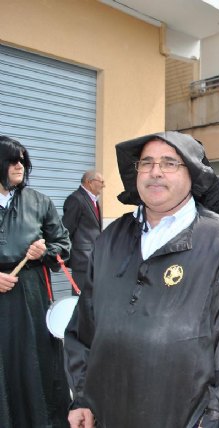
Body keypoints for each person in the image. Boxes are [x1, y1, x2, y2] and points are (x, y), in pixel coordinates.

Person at [64, 131, 219, 428]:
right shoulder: (110, 239)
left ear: (193, 175)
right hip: (109, 412)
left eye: (169, 163)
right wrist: (82, 397)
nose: (155, 171)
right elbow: (84, 327)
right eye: (146, 163)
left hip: (184, 417)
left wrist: (215, 418)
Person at [0, 135, 72, 428]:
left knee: (33, 361)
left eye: (23, 161)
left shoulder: (39, 202)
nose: (20, 166)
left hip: (30, 294)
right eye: (13, 160)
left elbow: (63, 244)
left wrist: (45, 251)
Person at [62, 170, 104, 293]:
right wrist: (65, 255)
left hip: (93, 257)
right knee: (81, 297)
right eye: (101, 182)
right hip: (81, 259)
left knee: (92, 296)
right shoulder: (76, 199)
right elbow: (66, 229)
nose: (103, 185)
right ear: (89, 182)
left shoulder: (94, 200)